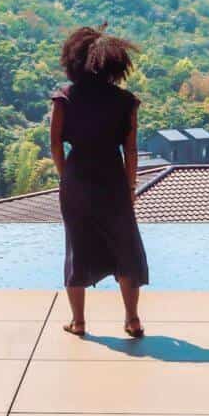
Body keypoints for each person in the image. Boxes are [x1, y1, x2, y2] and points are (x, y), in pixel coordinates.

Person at [50, 25, 149, 339]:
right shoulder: (125, 102)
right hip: (113, 178)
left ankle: (78, 322)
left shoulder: (65, 97)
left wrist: (65, 174)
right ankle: (132, 319)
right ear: (115, 65)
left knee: (77, 245)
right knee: (126, 247)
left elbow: (55, 143)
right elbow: (130, 149)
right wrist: (130, 188)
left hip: (77, 176)